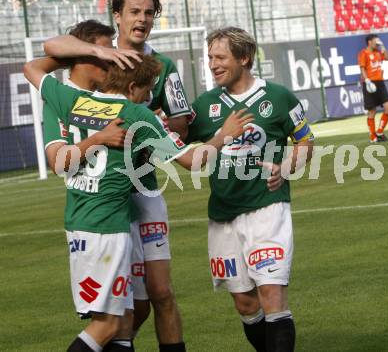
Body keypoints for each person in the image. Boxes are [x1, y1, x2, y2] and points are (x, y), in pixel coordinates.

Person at [24, 52, 253, 352]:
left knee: (117, 321)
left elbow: (32, 68)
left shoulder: (73, 101)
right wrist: (224, 135)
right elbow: (192, 161)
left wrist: (84, 51)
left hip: (77, 225)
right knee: (109, 325)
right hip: (110, 229)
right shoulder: (137, 115)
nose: (147, 98)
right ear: (132, 88)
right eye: (146, 91)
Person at [44, 0, 192, 351]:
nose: (141, 19)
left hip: (143, 188)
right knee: (121, 307)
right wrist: (94, 48)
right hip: (106, 194)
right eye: (134, 12)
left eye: (148, 13)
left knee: (159, 292)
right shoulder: (102, 59)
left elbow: (180, 125)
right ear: (119, 17)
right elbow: (50, 51)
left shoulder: (165, 66)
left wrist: (154, 126)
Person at [185, 27, 314, 352]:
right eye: (210, 57)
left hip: (268, 209)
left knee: (271, 294)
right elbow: (178, 146)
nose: (213, 64)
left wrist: (285, 169)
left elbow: (306, 141)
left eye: (220, 57)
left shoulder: (279, 97)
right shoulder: (204, 105)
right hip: (223, 215)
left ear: (244, 58)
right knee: (245, 303)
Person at [42, 19, 140, 352]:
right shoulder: (60, 99)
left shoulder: (113, 97)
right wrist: (98, 140)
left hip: (124, 213)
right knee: (109, 322)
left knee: (124, 318)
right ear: (85, 55)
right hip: (97, 223)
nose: (112, 58)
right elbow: (58, 162)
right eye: (104, 51)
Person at [358, 34, 388, 143]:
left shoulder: (378, 52)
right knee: (372, 111)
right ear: (369, 42)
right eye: (375, 41)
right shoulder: (363, 53)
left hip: (380, 82)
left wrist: (382, 47)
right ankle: (373, 137)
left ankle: (380, 132)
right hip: (369, 83)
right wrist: (367, 80)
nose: (376, 42)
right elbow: (362, 68)